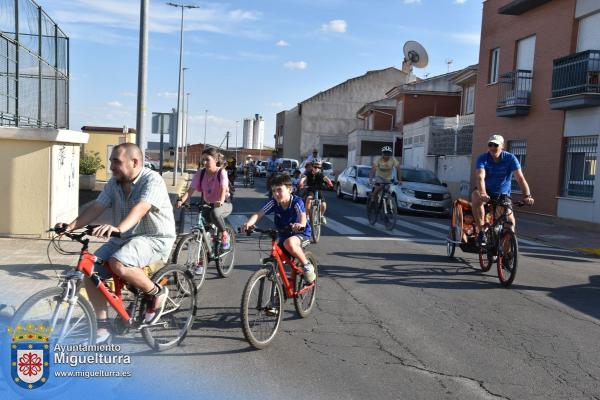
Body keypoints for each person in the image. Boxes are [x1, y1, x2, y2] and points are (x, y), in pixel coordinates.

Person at [55, 143, 176, 342]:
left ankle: (156, 292)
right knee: (90, 270)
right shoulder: (114, 183)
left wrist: (119, 228)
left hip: (154, 238)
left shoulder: (152, 180)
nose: (111, 166)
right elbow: (96, 207)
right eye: (111, 161)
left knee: (119, 263)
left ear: (134, 162)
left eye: (116, 162)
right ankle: (103, 325)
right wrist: (69, 227)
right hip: (125, 238)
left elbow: (141, 207)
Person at [240, 174, 315, 283]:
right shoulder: (273, 202)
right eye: (274, 191)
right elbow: (259, 213)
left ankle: (307, 265)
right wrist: (248, 224)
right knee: (276, 261)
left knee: (289, 243)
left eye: (279, 190)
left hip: (301, 233)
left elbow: (302, 216)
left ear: (290, 189)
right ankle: (278, 292)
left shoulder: (296, 202)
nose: (276, 194)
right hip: (284, 235)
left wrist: (301, 225)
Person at [472, 134, 534, 246]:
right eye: (490, 145)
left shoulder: (510, 158)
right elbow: (480, 177)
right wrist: (483, 193)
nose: (492, 147)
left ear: (502, 146)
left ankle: (508, 255)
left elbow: (520, 178)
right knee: (476, 198)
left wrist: (527, 196)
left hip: (503, 194)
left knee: (510, 222)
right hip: (485, 190)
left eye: (495, 145)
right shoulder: (483, 158)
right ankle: (481, 230)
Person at [177, 148, 233, 256]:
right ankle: (201, 263)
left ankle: (225, 234)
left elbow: (223, 188)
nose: (204, 162)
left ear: (216, 159)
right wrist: (181, 200)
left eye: (207, 159)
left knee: (215, 213)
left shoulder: (221, 172)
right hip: (208, 205)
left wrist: (220, 201)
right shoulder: (200, 173)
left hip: (224, 204)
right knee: (203, 233)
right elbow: (191, 190)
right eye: (203, 160)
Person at [300, 160, 333, 225]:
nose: (316, 169)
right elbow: (304, 177)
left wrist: (330, 183)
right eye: (315, 167)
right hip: (310, 189)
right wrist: (301, 182)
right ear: (312, 167)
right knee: (309, 199)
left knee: (323, 205)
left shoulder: (320, 174)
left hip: (318, 190)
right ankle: (307, 216)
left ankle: (321, 216)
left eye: (318, 167)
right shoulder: (308, 173)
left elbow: (326, 179)